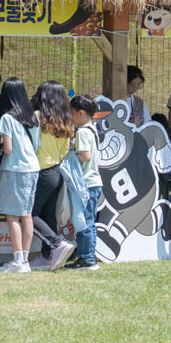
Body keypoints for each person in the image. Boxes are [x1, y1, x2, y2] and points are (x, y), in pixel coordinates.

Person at [0, 78, 43, 274]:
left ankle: (17, 261)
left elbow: (8, 149)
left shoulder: (7, 118)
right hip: (33, 167)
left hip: (15, 169)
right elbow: (36, 146)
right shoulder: (33, 118)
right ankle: (25, 260)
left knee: (12, 215)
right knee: (26, 214)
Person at [26, 82, 75, 271]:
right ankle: (48, 257)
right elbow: (64, 151)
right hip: (56, 171)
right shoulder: (65, 120)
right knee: (49, 216)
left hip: (39, 171)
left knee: (28, 214)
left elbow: (30, 145)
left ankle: (56, 243)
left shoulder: (37, 117)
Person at [66, 95, 105, 270]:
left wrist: (72, 155)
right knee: (89, 221)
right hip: (94, 182)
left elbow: (85, 156)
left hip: (86, 183)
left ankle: (86, 258)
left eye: (71, 112)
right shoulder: (92, 130)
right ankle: (88, 255)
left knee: (84, 222)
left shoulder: (82, 132)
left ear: (80, 113)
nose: (70, 116)